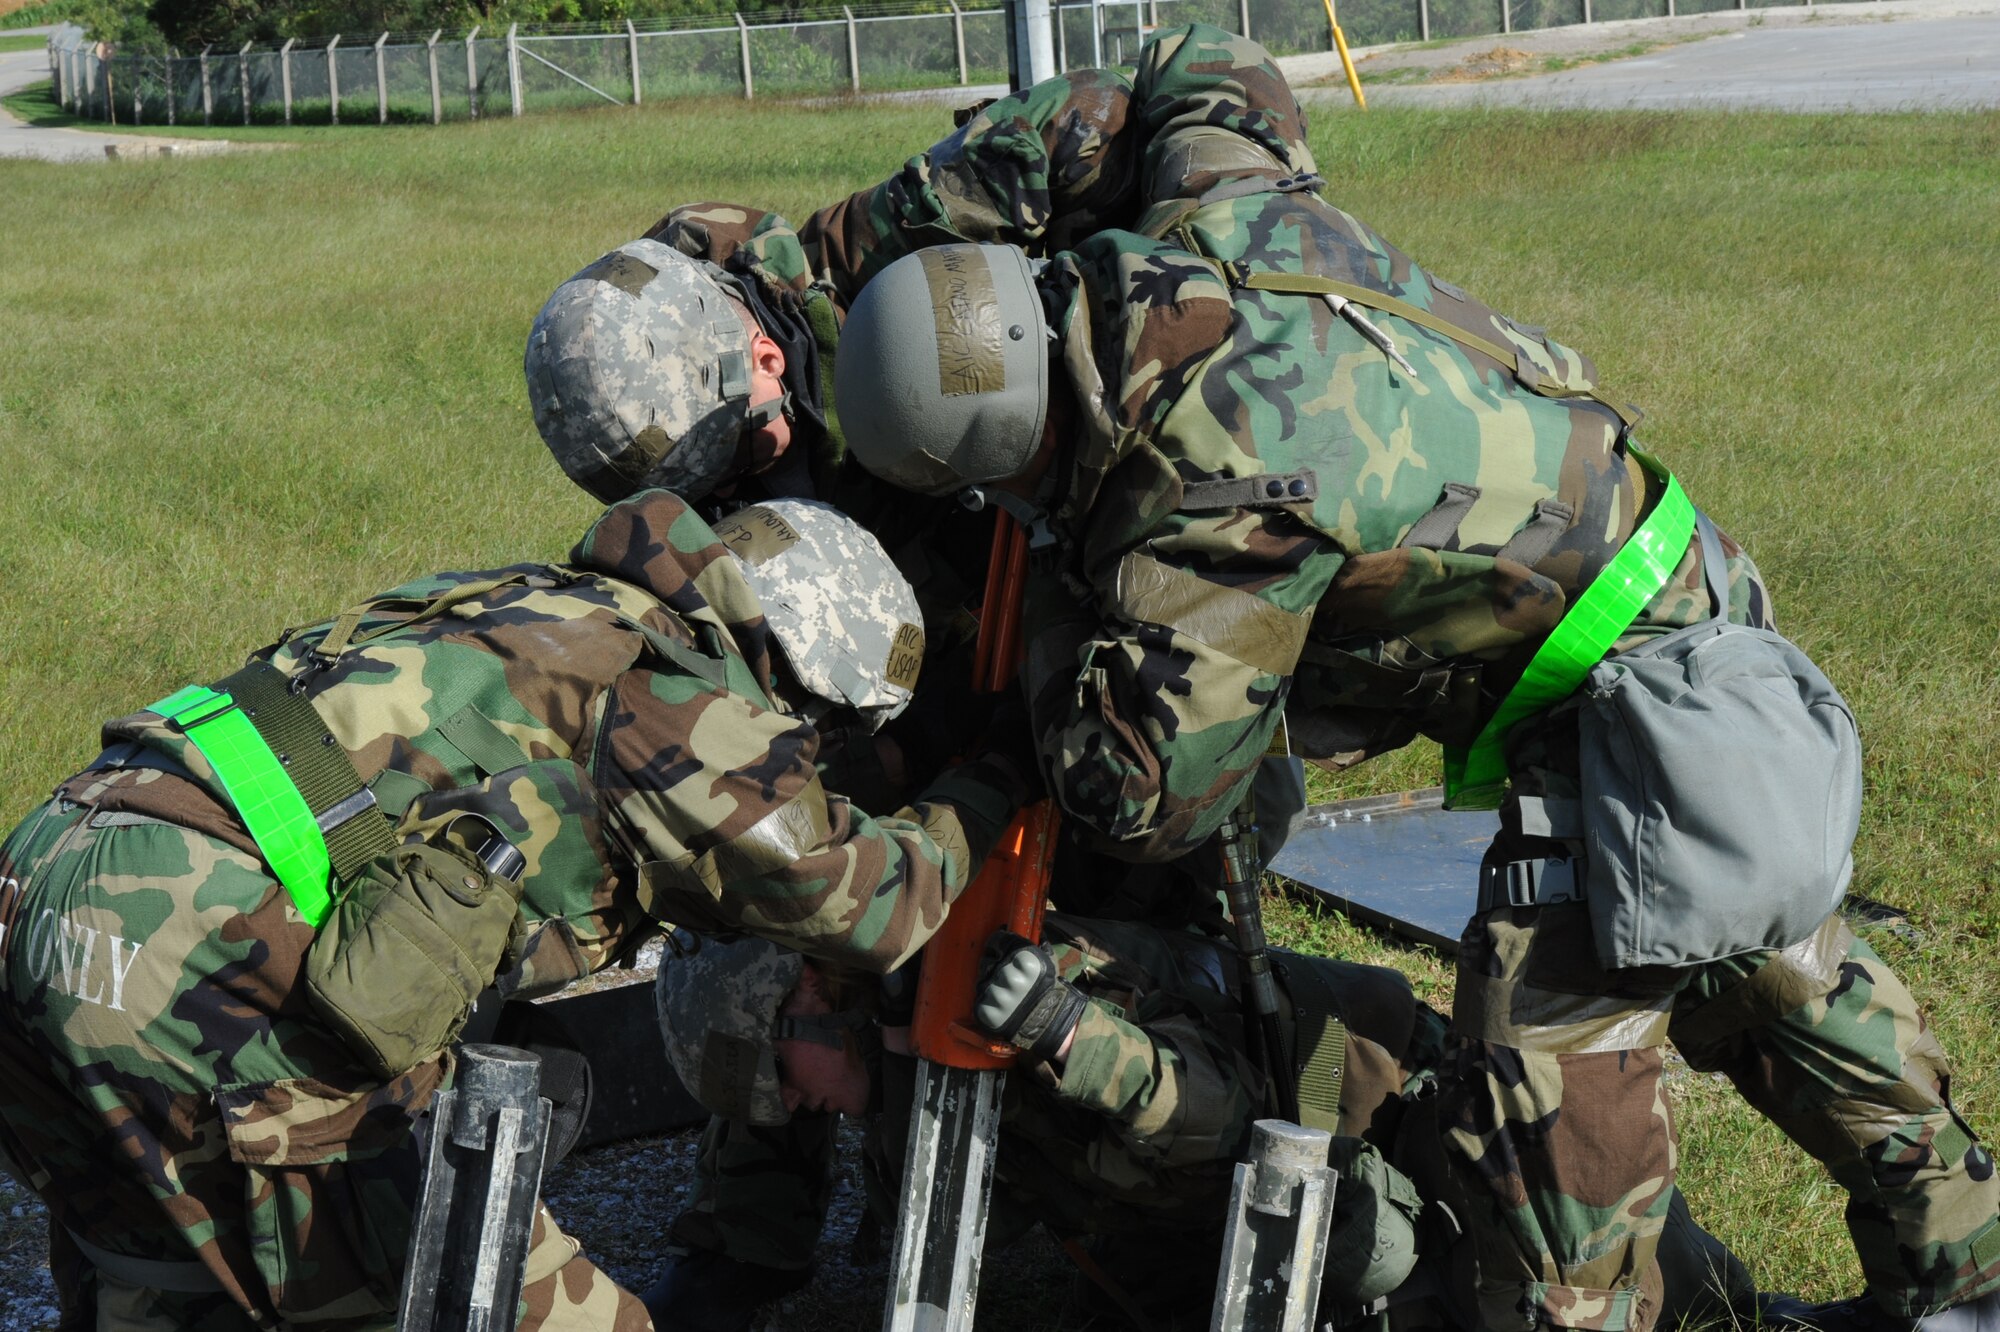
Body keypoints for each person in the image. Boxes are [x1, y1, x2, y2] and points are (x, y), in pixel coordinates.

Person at [825, 24, 2000, 1332]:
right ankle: (1970, 1261)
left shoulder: (1206, 497)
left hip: (1624, 712)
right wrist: (947, 198)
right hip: (1671, 591)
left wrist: (1053, 606)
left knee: (1545, 1121)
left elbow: (1154, 796)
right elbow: (1212, 68)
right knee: (1764, 955)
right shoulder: (1213, 223)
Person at [0, 492, 1030, 1331]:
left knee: (159, 1279)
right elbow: (872, 903)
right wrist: (992, 778)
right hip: (199, 954)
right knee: (471, 1303)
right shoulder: (677, 701)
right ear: (793, 673)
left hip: (54, 871)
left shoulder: (536, 607)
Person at [652, 921, 1764, 1332]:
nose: (787, 1112)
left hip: (1364, 1096)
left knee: (1428, 1250)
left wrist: (1061, 1033)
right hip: (1209, 1189)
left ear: (812, 996)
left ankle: (1752, 1302)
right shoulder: (898, 1062)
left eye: (775, 1076)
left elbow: (1221, 1115)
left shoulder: (1026, 981)